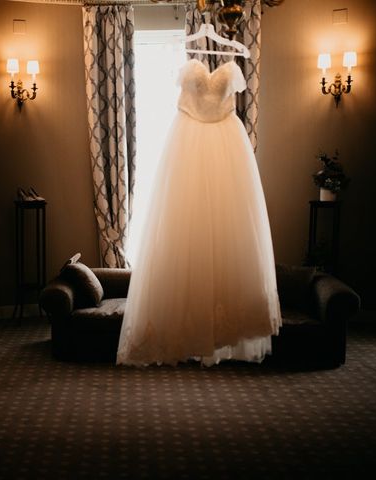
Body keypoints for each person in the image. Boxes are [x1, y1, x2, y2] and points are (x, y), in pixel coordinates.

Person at [117, 59, 281, 367]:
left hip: (225, 148)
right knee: (186, 232)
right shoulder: (191, 68)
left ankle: (220, 331)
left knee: (227, 233)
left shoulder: (231, 69)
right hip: (188, 146)